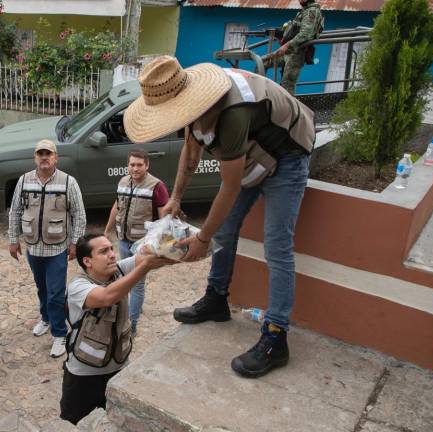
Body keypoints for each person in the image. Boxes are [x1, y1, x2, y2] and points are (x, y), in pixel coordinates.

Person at [122, 56, 315, 378]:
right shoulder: (191, 104)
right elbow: (192, 148)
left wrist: (202, 238)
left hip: (288, 152)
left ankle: (276, 337)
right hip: (256, 148)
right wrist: (177, 198)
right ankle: (216, 300)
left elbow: (230, 185)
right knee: (225, 231)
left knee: (277, 246)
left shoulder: (231, 113)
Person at [60, 233, 173, 424]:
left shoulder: (119, 269)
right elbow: (106, 297)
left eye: (112, 249)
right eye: (104, 251)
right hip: (84, 375)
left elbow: (157, 257)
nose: (112, 254)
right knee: (72, 422)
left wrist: (181, 242)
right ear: (87, 261)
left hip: (120, 368)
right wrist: (143, 267)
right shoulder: (78, 287)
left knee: (119, 422)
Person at [8, 139, 86, 358]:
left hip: (57, 249)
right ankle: (46, 318)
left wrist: (75, 244)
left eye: (48, 154)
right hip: (33, 247)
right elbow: (15, 211)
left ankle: (60, 334)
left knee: (55, 293)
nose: (44, 157)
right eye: (40, 154)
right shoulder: (24, 181)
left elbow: (78, 215)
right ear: (35, 158)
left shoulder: (68, 182)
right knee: (42, 288)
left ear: (55, 158)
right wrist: (13, 239)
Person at [103, 149, 169, 335]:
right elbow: (117, 206)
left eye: (139, 165)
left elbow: (164, 216)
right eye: (132, 164)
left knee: (137, 283)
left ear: (147, 165)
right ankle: (134, 309)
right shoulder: (123, 182)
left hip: (143, 244)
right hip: (123, 240)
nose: (135, 168)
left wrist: (158, 244)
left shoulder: (157, 186)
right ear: (128, 165)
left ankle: (131, 325)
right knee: (125, 277)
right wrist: (107, 230)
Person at [270, 0, 324, 95]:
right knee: (262, 62)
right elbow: (295, 30)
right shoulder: (305, 10)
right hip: (291, 51)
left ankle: (288, 108)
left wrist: (287, 45)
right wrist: (283, 38)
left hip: (297, 52)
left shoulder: (311, 11)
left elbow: (305, 34)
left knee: (287, 85)